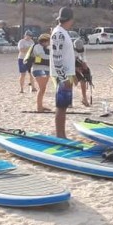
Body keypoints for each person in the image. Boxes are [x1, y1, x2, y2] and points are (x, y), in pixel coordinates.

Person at [50, 7, 76, 138]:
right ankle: (60, 135)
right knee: (61, 106)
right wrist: (64, 77)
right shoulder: (59, 33)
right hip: (62, 76)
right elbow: (57, 57)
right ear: (70, 19)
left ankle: (62, 134)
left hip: (66, 74)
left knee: (64, 106)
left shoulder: (62, 32)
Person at [25, 33, 51, 112]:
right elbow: (42, 57)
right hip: (39, 69)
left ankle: (40, 105)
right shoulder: (37, 47)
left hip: (44, 69)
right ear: (44, 41)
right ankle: (39, 107)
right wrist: (52, 59)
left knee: (43, 88)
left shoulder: (44, 48)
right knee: (42, 88)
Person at [73, 38, 92, 107]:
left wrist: (85, 66)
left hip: (78, 62)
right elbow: (69, 63)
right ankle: (68, 101)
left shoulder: (83, 48)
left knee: (83, 80)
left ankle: (84, 98)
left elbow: (83, 58)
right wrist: (76, 69)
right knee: (70, 83)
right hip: (70, 66)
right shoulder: (70, 51)